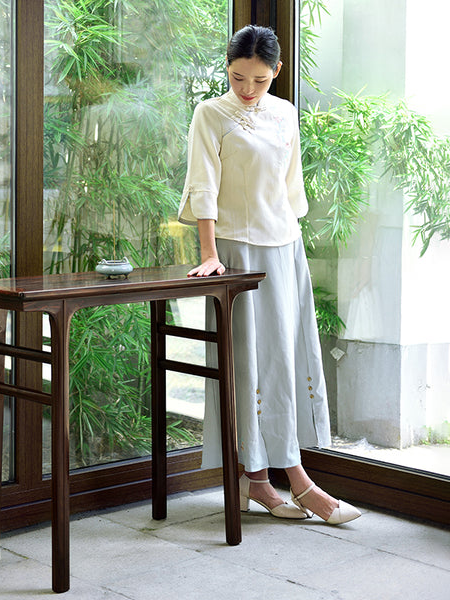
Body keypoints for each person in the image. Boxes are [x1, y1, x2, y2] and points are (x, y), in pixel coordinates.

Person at [178, 24, 360, 524]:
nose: (247, 89)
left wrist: (293, 242)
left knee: (284, 356)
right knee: (247, 363)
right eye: (238, 77)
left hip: (284, 248)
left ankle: (268, 479)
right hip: (236, 251)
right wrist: (210, 252)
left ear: (276, 72)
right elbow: (203, 188)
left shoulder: (286, 114)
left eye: (258, 80)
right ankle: (275, 480)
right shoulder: (211, 114)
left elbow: (291, 187)